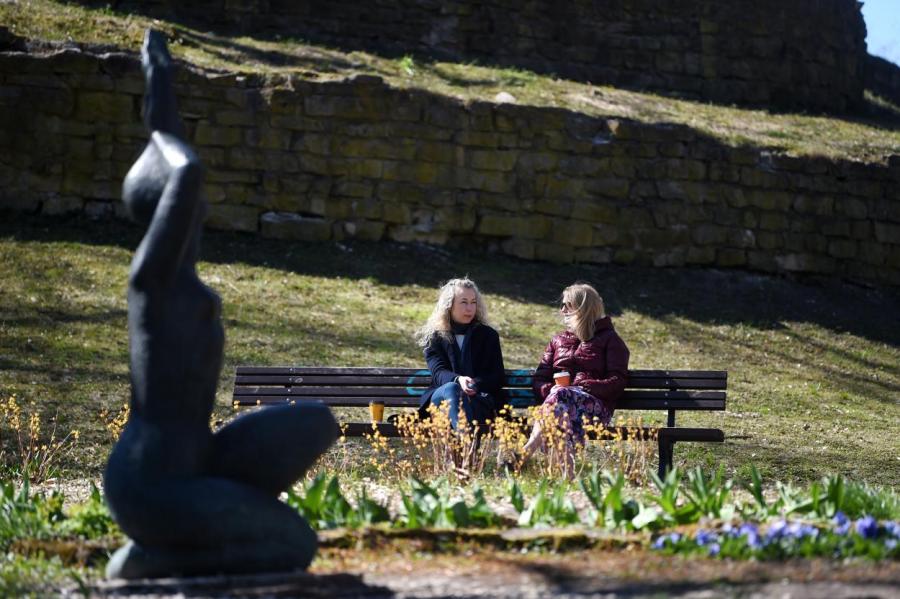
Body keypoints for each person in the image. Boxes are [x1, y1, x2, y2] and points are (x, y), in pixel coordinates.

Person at [103, 29, 337, 579]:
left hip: (197, 457)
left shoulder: (181, 274)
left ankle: (171, 547)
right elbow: (186, 170)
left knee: (316, 423)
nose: (200, 211)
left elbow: (174, 151)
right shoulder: (151, 281)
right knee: (293, 545)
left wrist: (160, 92)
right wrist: (158, 80)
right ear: (167, 211)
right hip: (151, 480)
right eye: (189, 207)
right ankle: (158, 558)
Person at [522, 283, 629, 475]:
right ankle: (568, 476)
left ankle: (527, 450)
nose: (562, 310)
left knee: (562, 400)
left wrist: (583, 386)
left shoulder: (610, 340)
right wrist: (550, 390)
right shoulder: (558, 340)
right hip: (560, 405)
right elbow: (539, 378)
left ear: (583, 308)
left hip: (596, 409)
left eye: (567, 305)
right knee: (561, 405)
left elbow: (618, 381)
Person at [415, 277, 506, 430]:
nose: (470, 308)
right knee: (452, 388)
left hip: (478, 399)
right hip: (441, 400)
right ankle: (466, 442)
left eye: (473, 302)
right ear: (449, 305)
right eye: (464, 302)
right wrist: (459, 380)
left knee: (463, 402)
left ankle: (464, 444)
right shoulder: (434, 337)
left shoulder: (488, 336)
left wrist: (473, 384)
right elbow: (438, 373)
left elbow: (496, 376)